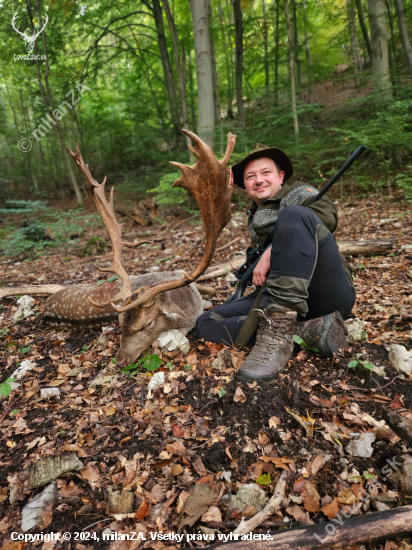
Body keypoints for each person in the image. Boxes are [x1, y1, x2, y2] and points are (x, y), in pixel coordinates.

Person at [196, 143, 356, 382]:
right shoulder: (257, 219)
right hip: (279, 295)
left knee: (293, 215)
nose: (258, 180)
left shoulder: (300, 193)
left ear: (281, 176)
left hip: (326, 291)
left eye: (265, 172)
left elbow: (327, 216)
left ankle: (275, 336)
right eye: (251, 177)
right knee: (206, 322)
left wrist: (271, 249)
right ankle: (305, 330)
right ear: (246, 185)